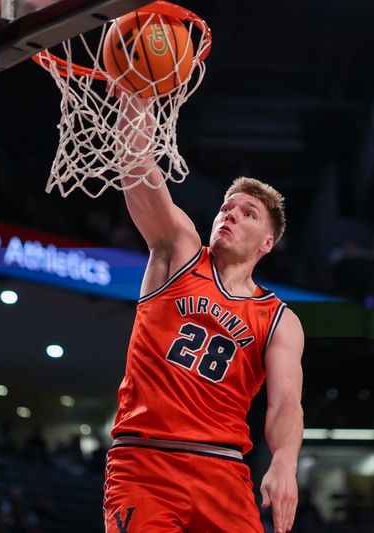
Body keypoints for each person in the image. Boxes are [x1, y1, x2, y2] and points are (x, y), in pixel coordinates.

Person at [102, 95, 305, 533]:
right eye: (226, 208)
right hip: (145, 462)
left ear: (267, 243)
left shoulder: (278, 318)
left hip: (223, 471)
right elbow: (138, 167)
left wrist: (285, 462)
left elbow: (286, 402)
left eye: (248, 214)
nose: (231, 215)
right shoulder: (179, 251)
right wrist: (137, 97)